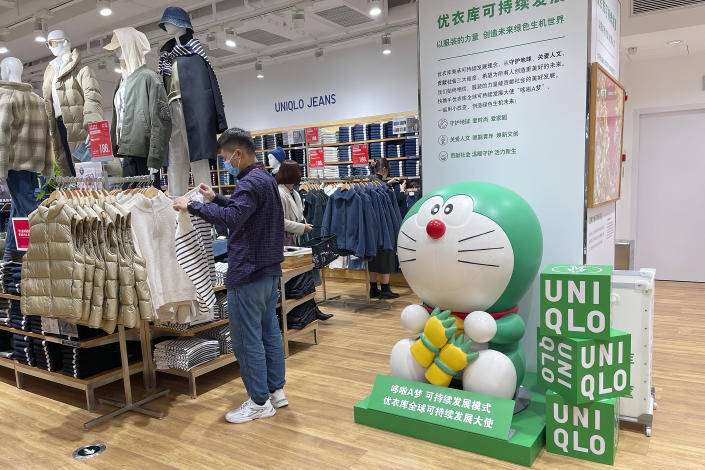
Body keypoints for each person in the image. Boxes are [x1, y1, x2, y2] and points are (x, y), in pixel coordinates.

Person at [173, 128, 287, 424]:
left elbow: (234, 218)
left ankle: (259, 401)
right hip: (268, 273)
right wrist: (216, 198)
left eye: (225, 157)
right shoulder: (265, 180)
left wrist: (194, 205)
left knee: (246, 340)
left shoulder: (250, 183)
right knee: (269, 333)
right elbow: (243, 210)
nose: (224, 163)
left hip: (248, 274)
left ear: (238, 153)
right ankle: (275, 392)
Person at [276, 160, 333, 321]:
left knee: (304, 277)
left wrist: (303, 226)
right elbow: (279, 221)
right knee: (297, 280)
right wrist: (301, 228)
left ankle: (311, 309)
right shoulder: (280, 194)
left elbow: (299, 215)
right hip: (286, 243)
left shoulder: (294, 192)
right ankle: (306, 312)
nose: (300, 175)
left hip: (297, 241)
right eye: (298, 172)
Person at [369, 158, 406, 299]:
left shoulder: (368, 184)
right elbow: (395, 203)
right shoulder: (383, 188)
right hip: (384, 226)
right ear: (384, 169)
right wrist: (401, 191)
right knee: (387, 254)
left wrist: (388, 183)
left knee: (372, 256)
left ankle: (373, 288)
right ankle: (385, 289)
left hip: (372, 227)